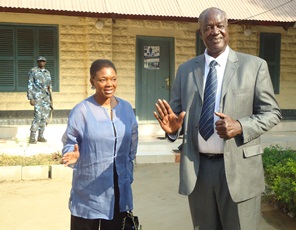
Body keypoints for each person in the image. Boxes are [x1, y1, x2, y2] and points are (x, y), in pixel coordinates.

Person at [154, 7, 282, 230]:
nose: (215, 31)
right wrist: (173, 130)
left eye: (220, 26)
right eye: (208, 27)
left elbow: (272, 113)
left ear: (228, 28)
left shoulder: (254, 66)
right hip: (199, 170)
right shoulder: (185, 71)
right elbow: (175, 117)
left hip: (240, 169)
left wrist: (241, 125)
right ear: (201, 33)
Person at [62, 59, 138, 230]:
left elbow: (133, 140)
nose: (109, 84)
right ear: (92, 82)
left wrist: (127, 169)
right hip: (89, 190)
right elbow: (70, 142)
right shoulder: (81, 110)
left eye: (113, 79)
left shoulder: (126, 108)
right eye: (103, 79)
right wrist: (74, 155)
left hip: (119, 189)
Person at [27, 56, 53, 144]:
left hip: (46, 97)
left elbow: (50, 87)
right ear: (37, 62)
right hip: (37, 97)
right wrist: (30, 98)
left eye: (43, 61)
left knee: (44, 117)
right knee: (37, 116)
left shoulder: (47, 72)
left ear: (45, 62)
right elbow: (30, 84)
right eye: (40, 61)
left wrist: (51, 100)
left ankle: (41, 136)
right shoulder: (33, 71)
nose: (42, 62)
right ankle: (32, 137)